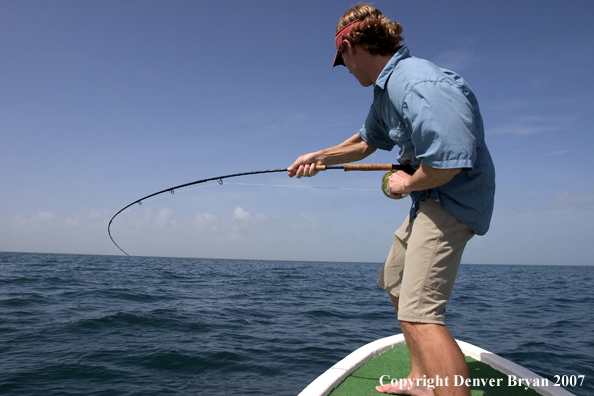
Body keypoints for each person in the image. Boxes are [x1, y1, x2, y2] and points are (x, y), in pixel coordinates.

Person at [288, 4, 495, 396]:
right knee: (396, 281)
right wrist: (319, 157)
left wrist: (405, 183)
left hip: (451, 200)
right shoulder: (385, 92)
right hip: (429, 197)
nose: (345, 70)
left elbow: (450, 160)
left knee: (420, 312)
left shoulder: (416, 83)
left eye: (341, 61)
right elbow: (365, 141)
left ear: (350, 46)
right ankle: (420, 380)